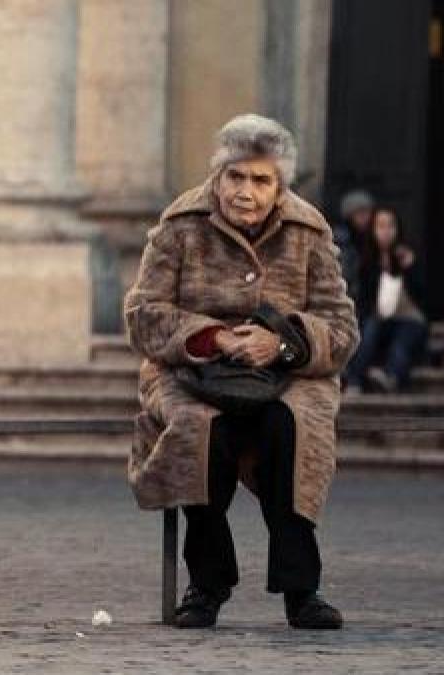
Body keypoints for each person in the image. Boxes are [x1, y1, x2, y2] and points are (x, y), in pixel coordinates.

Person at [123, 114, 359, 630]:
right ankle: (206, 585)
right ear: (219, 175)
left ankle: (302, 591)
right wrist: (214, 338)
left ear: (280, 186)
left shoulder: (309, 230)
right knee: (198, 431)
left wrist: (281, 344)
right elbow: (142, 315)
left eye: (260, 180)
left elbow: (341, 328)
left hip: (291, 374)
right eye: (236, 176)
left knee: (292, 429)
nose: (245, 191)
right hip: (192, 372)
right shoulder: (181, 224)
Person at [344, 207, 428, 393]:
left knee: (401, 343)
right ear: (373, 230)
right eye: (381, 226)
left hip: (410, 318)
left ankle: (390, 377)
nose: (386, 231)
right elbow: (364, 300)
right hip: (379, 320)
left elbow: (423, 296)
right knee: (370, 330)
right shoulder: (368, 261)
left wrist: (410, 267)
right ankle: (354, 381)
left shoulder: (409, 255)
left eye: (391, 226)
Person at [333, 189, 374, 305]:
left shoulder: (370, 237)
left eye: (368, 212)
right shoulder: (341, 240)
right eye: (360, 213)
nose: (366, 217)